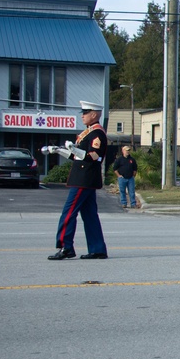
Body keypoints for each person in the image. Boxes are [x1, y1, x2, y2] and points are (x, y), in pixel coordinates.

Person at [48, 100, 108, 260]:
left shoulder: (97, 134)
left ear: (94, 114)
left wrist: (73, 149)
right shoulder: (89, 133)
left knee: (68, 212)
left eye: (85, 113)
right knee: (89, 215)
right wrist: (58, 150)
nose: (82, 116)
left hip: (84, 178)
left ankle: (65, 246)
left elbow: (93, 156)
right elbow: (76, 155)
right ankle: (97, 249)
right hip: (84, 178)